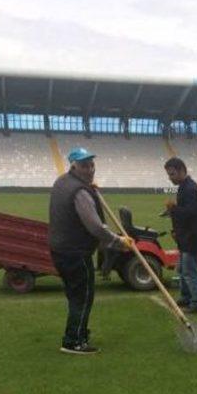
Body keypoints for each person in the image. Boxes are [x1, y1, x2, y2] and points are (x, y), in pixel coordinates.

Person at [49, 147, 132, 354]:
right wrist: (118, 240)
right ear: (74, 165)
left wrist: (87, 187)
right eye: (85, 166)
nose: (90, 169)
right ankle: (74, 341)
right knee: (83, 297)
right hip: (75, 253)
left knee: (76, 295)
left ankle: (78, 334)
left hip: (60, 250)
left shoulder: (62, 182)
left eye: (92, 165)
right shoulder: (79, 192)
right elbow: (94, 226)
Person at [163, 157, 197, 314]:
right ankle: (185, 297)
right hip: (185, 238)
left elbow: (191, 213)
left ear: (182, 171)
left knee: (190, 271)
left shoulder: (190, 189)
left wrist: (173, 210)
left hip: (193, 239)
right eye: (169, 175)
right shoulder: (184, 187)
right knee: (183, 269)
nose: (170, 178)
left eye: (172, 174)